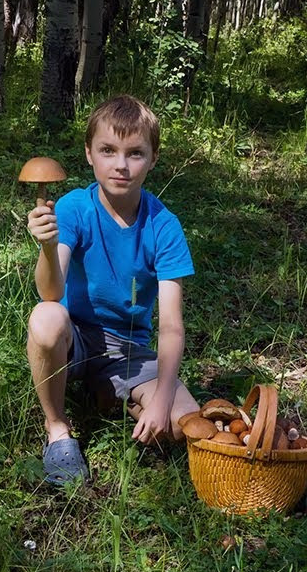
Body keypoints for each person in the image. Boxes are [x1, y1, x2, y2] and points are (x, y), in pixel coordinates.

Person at [26, 94, 199, 486]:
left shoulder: (164, 226)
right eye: (108, 150)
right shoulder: (73, 208)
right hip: (75, 340)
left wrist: (164, 398)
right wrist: (49, 248)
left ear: (153, 158)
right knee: (46, 318)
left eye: (135, 153)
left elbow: (171, 327)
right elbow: (50, 294)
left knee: (183, 423)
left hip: (129, 351)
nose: (120, 165)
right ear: (89, 153)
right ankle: (58, 430)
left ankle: (109, 394)